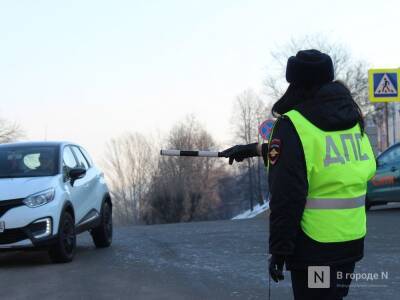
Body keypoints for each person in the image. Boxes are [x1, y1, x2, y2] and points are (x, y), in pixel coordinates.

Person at [221, 49, 376, 300]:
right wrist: (255, 149)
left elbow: (287, 196)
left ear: (296, 83)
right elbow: (334, 159)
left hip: (315, 248)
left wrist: (280, 251)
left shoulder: (292, 124)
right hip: (351, 241)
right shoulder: (353, 119)